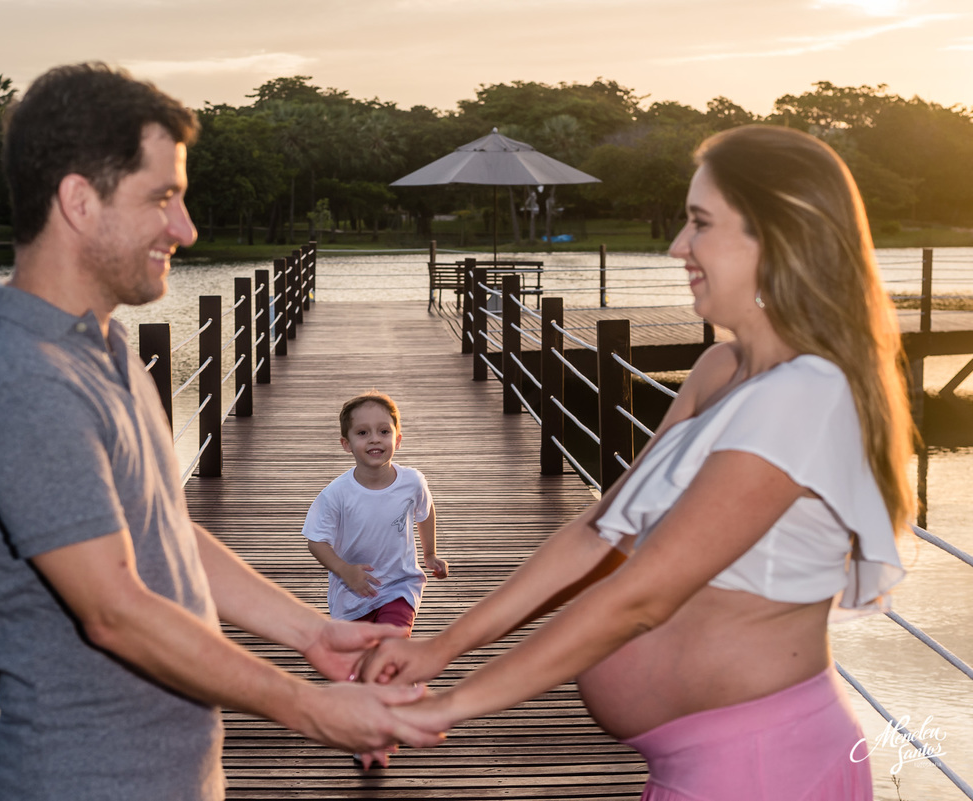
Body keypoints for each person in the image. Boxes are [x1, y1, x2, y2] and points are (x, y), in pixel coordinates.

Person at [367, 125, 915, 800]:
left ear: (777, 237)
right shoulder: (722, 369)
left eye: (700, 223)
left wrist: (446, 706)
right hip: (700, 763)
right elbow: (600, 530)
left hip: (763, 765)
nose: (677, 245)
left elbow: (642, 597)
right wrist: (439, 649)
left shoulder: (811, 392)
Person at [0, 63, 439, 801]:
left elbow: (163, 530)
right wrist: (305, 705)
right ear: (79, 200)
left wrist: (309, 632)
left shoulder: (99, 348)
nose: (186, 228)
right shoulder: (23, 377)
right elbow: (115, 610)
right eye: (162, 198)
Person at [303, 392, 449, 634]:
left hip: (399, 586)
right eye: (362, 433)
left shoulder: (412, 482)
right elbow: (316, 541)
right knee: (358, 656)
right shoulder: (336, 493)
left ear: (398, 439)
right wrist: (344, 570)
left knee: (392, 642)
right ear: (346, 444)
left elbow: (425, 511)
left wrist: (430, 553)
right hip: (352, 594)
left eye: (384, 431)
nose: (374, 440)